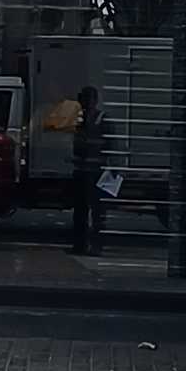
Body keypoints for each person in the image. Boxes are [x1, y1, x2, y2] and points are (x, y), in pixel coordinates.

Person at [71, 84, 108, 255]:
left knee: (97, 212)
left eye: (88, 98)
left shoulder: (102, 119)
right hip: (81, 171)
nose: (85, 102)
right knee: (80, 211)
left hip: (96, 172)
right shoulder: (79, 119)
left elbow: (110, 145)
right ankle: (79, 245)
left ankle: (96, 245)